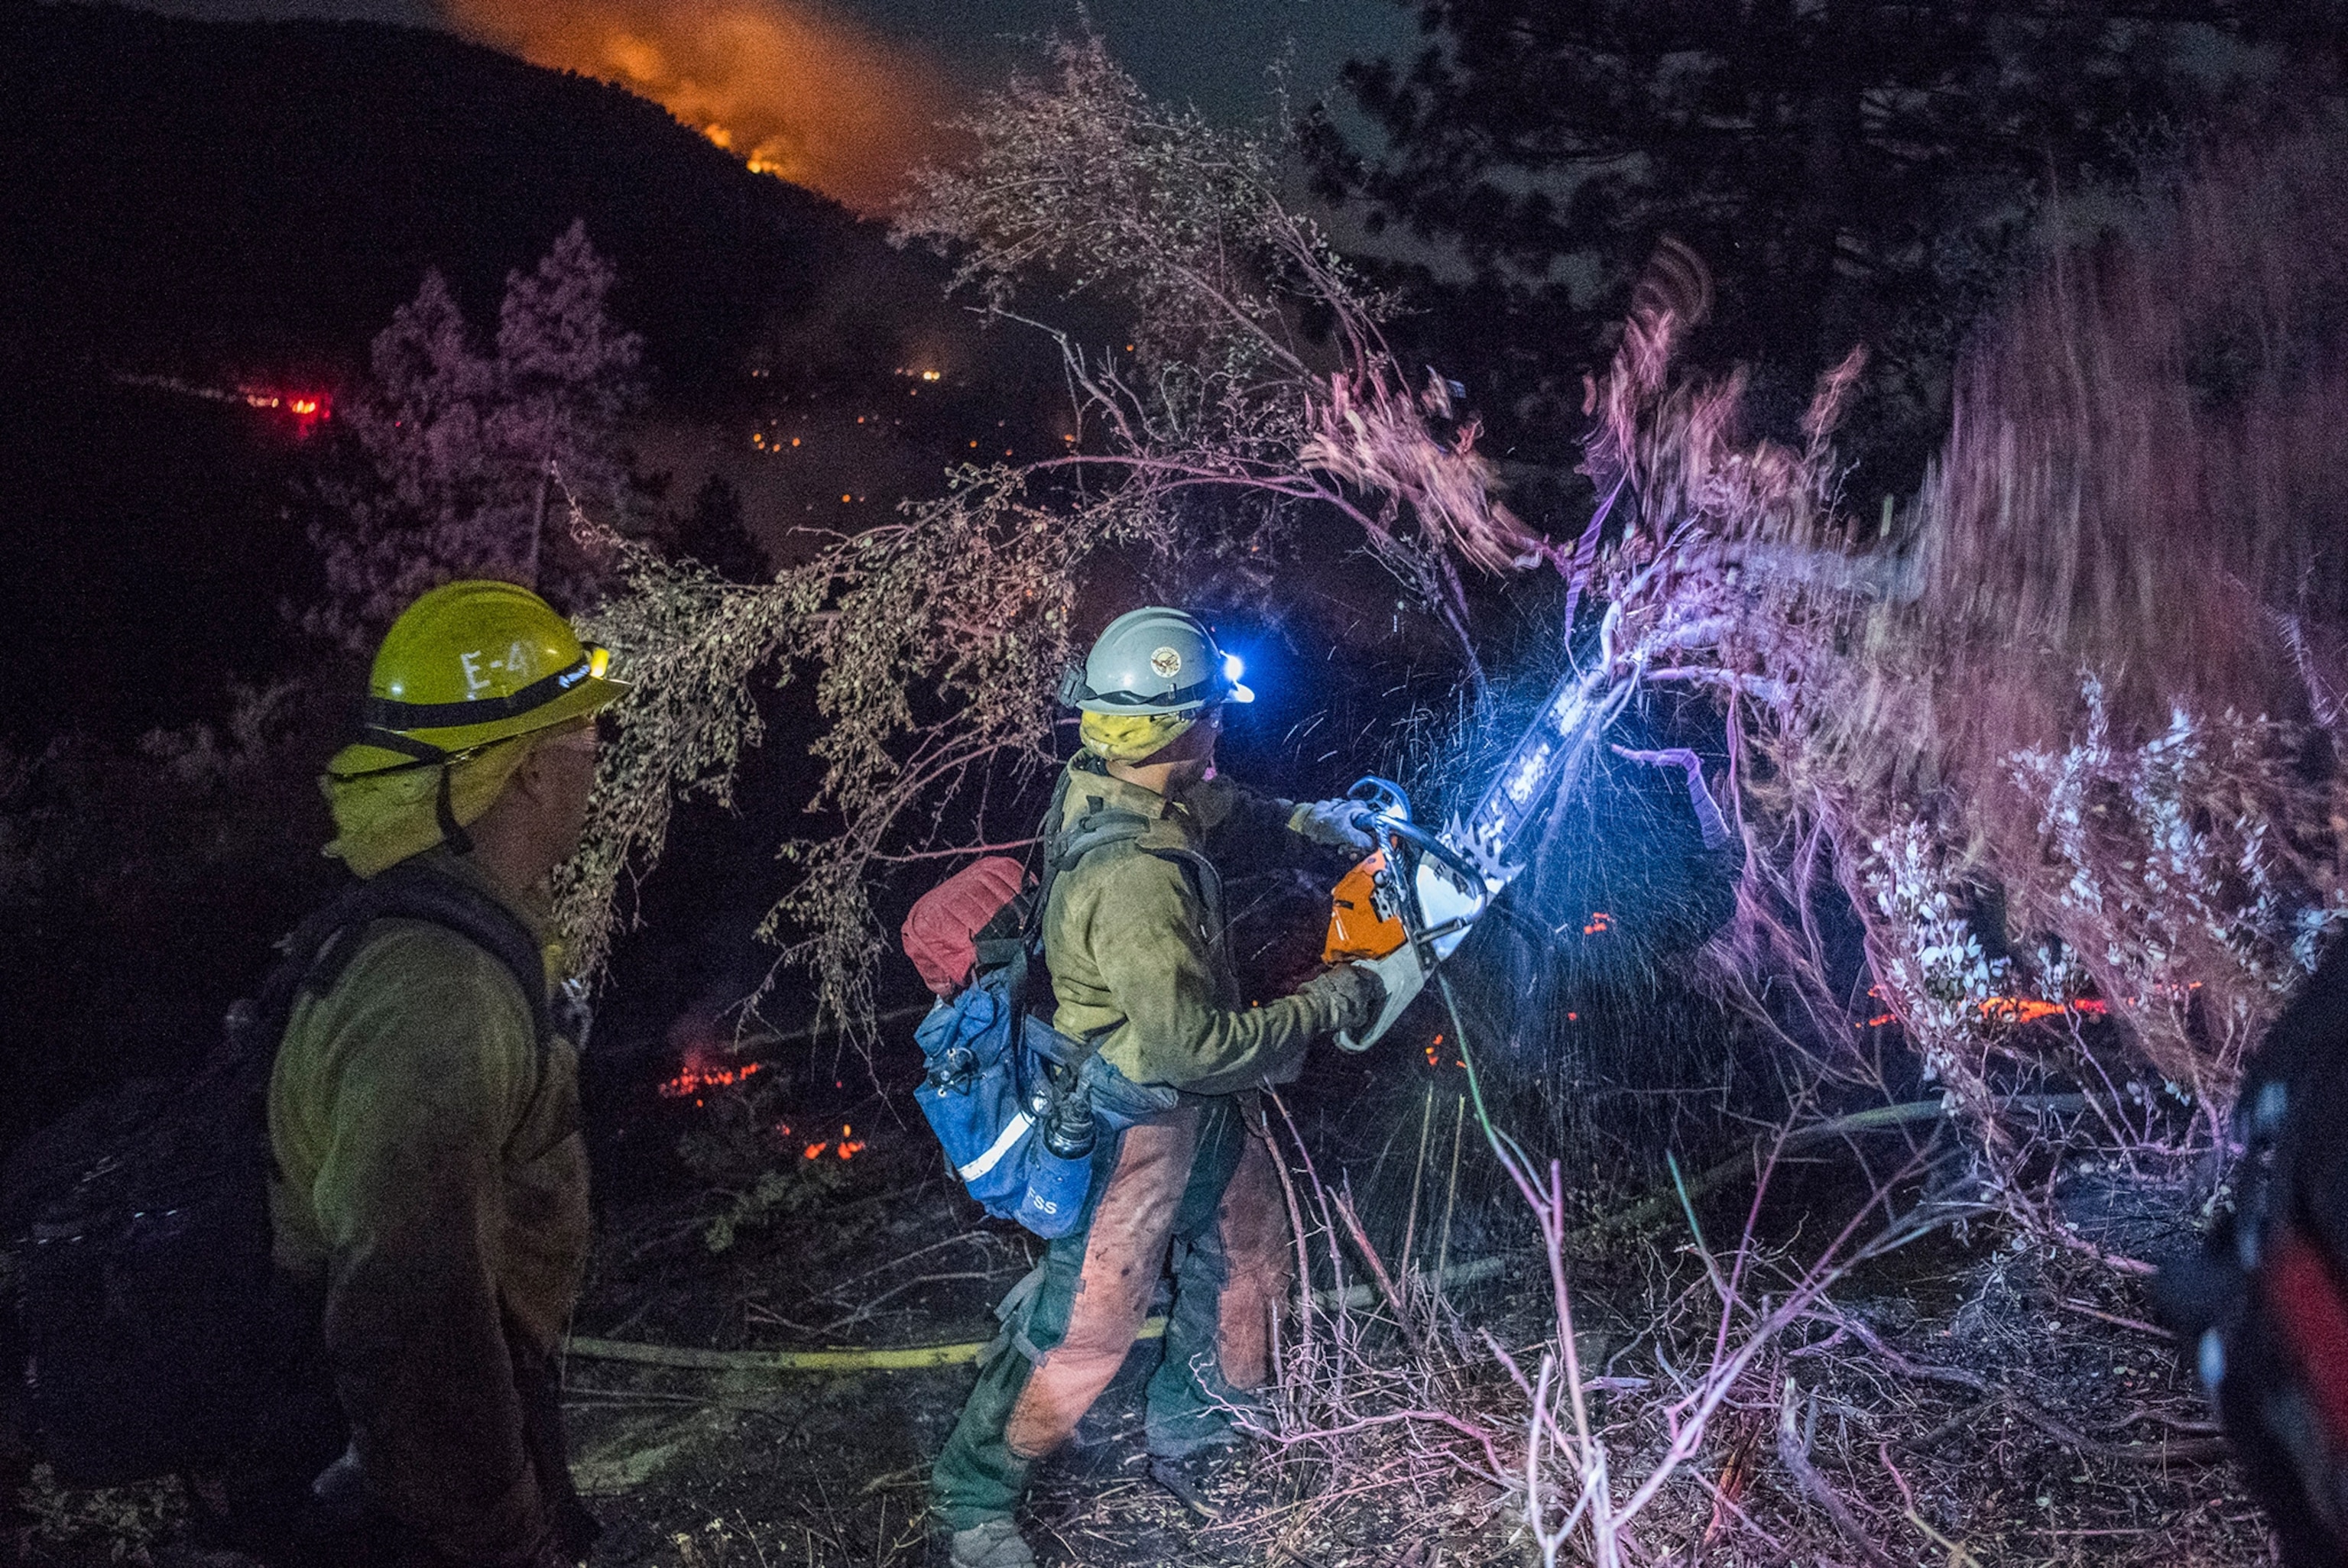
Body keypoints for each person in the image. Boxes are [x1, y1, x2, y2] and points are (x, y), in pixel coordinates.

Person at [931, 607, 1387, 1568]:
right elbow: (1195, 1049)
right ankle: (973, 1504)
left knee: (1249, 1262)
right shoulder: (1136, 879)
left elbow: (1219, 803)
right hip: (1132, 1122)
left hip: (1200, 1114)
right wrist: (1329, 1001)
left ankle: (1202, 1435)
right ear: (1177, 730)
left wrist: (1311, 820)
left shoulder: (1115, 780)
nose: (1220, 727)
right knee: (1085, 1329)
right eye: (1210, 714)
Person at [266, 580, 625, 1567]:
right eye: (584, 735)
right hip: (398, 1511)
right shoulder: (440, 992)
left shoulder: (441, 931)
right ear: (529, 772)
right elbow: (416, 1328)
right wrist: (507, 1539)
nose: (597, 756)